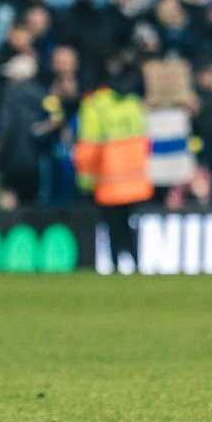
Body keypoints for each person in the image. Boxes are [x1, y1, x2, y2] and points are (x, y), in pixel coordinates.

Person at [76, 55, 153, 273]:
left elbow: (88, 147)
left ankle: (116, 263)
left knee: (112, 224)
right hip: (135, 177)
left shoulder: (94, 106)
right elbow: (145, 140)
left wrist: (85, 181)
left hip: (108, 177)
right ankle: (137, 262)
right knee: (130, 223)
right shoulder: (132, 103)